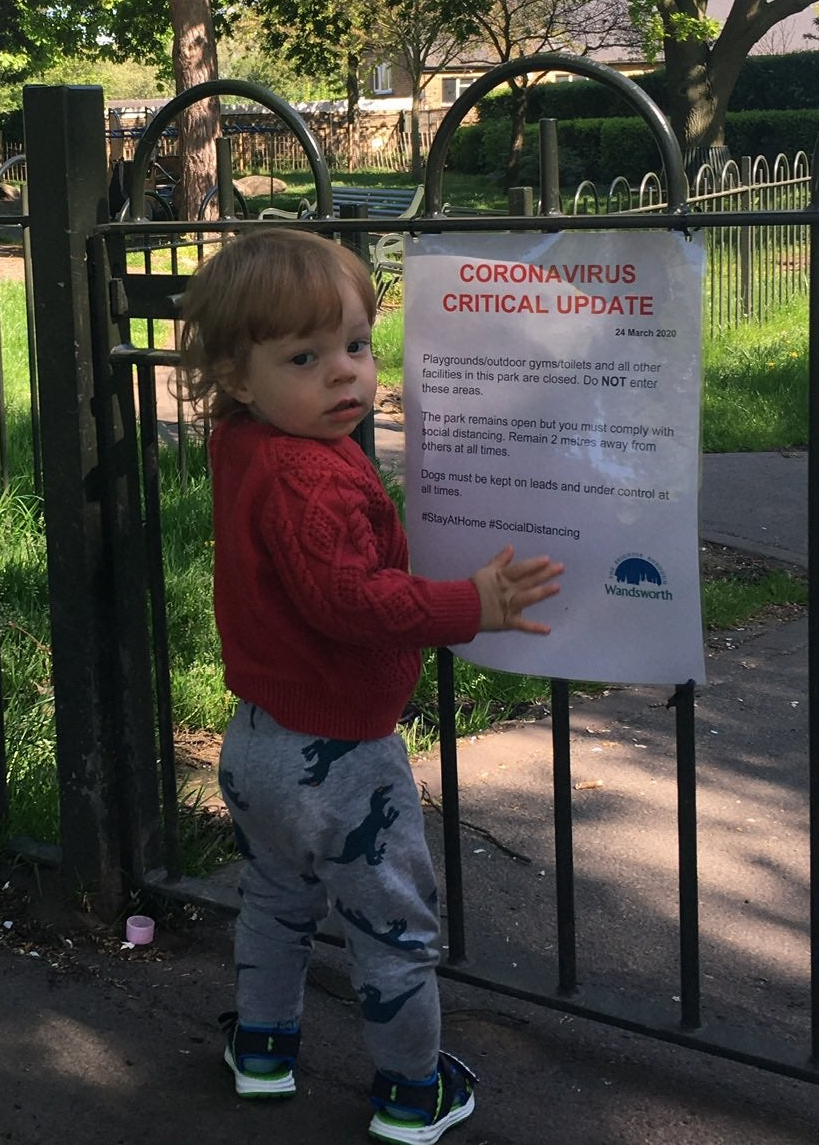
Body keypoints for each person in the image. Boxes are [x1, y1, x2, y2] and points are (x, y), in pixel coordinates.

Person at [176, 227, 565, 1145]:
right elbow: (351, 601)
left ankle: (263, 1051)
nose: (346, 375)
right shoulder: (313, 479)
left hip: (257, 742)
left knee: (274, 900)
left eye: (356, 344)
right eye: (305, 358)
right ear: (238, 377)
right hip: (341, 759)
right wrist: (466, 604)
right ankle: (411, 1093)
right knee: (392, 932)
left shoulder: (246, 445)